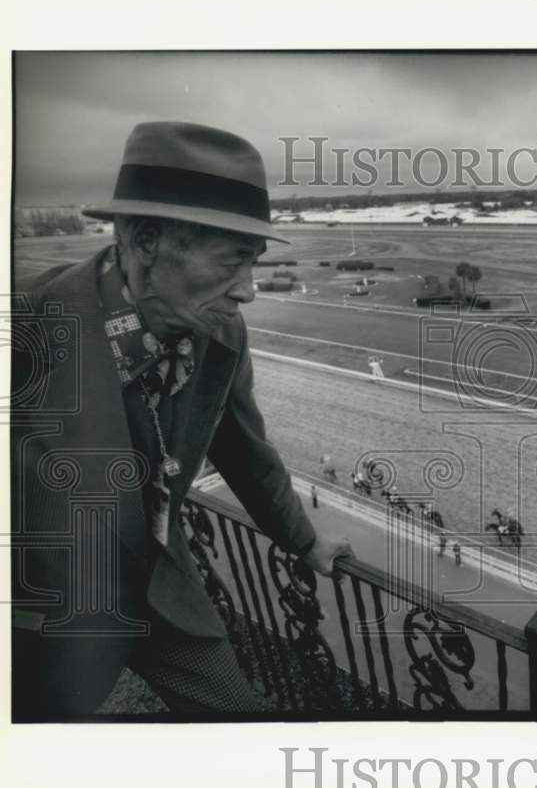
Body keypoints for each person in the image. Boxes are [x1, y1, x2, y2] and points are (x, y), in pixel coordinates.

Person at [11, 121, 353, 720]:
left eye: (255, 263)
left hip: (166, 597)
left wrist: (305, 539)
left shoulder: (220, 331)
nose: (247, 291)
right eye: (232, 262)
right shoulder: (26, 332)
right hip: (54, 622)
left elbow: (245, 449)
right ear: (145, 240)